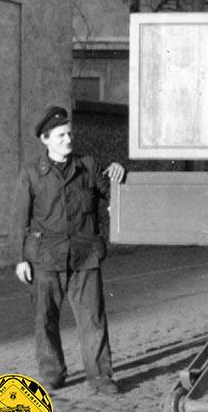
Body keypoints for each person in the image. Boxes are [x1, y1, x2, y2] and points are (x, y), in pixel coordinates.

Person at [11, 106, 126, 395]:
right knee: (45, 319)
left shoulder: (87, 166)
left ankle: (100, 376)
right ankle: (52, 375)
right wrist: (20, 259)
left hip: (84, 256)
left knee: (92, 319)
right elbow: (19, 219)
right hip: (45, 258)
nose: (68, 139)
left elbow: (113, 193)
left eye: (69, 134)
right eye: (61, 135)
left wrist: (119, 172)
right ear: (46, 139)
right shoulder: (31, 174)